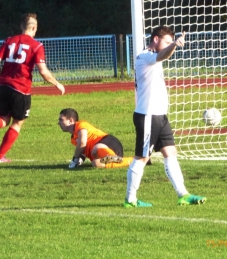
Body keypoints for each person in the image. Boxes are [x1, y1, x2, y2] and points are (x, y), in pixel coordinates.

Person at [123, 26, 206, 207]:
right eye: (166, 41)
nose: (169, 45)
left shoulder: (153, 57)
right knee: (142, 158)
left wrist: (172, 44)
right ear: (155, 39)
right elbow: (163, 56)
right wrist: (174, 45)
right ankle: (130, 199)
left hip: (160, 116)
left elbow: (163, 55)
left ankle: (183, 194)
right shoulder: (144, 56)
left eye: (170, 42)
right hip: (148, 116)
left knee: (171, 153)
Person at [0, 13, 65, 163]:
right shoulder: (36, 45)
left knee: (3, 119)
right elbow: (43, 71)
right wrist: (57, 83)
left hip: (3, 86)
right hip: (21, 89)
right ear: (34, 28)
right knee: (17, 123)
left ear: (21, 26)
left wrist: (3, 76)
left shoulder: (9, 41)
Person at [58, 108, 136, 169]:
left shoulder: (80, 125)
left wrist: (74, 159)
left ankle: (116, 157)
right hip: (101, 151)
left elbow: (82, 143)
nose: (58, 123)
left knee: (95, 149)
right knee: (96, 163)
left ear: (71, 120)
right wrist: (78, 162)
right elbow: (83, 152)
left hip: (109, 143)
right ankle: (133, 161)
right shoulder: (73, 138)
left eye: (61, 120)